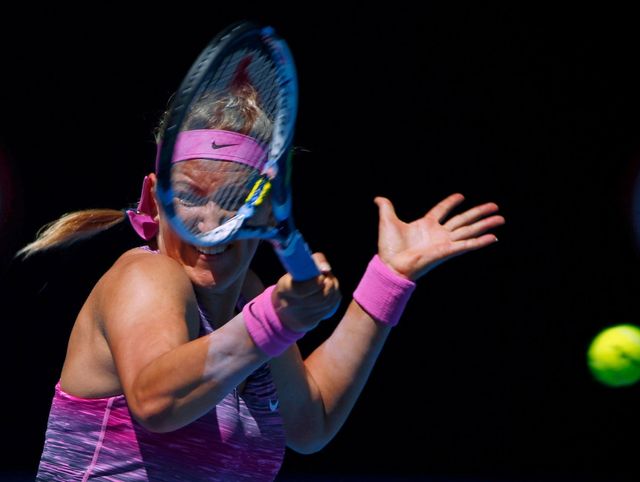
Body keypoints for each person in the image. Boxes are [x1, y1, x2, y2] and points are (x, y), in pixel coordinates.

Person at [22, 70, 505, 481]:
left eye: (233, 201)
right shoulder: (146, 276)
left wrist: (387, 279)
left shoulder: (248, 297)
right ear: (153, 199)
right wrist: (274, 320)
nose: (211, 227)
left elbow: (309, 423)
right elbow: (155, 401)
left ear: (266, 208)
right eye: (189, 196)